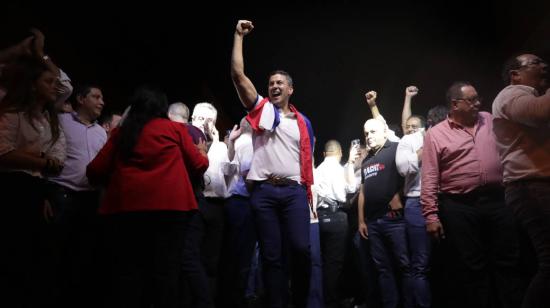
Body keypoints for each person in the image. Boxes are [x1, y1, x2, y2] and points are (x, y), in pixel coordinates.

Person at [86, 86, 209, 308]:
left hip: (126, 211)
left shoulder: (122, 133)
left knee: (128, 274)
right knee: (165, 274)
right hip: (171, 211)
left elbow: (95, 170)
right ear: (162, 108)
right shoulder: (175, 130)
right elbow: (199, 165)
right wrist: (202, 152)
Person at [231, 19, 315, 308]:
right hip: (264, 193)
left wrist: (309, 194)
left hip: (293, 192)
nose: (275, 86)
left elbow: (307, 162)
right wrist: (238, 36)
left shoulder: (304, 123)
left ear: (291, 89)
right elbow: (238, 75)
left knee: (301, 249)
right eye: (271, 83)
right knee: (271, 256)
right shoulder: (262, 111)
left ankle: (300, 301)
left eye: (280, 83)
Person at [421, 82, 523, 308]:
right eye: (472, 100)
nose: (478, 103)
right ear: (455, 104)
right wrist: (431, 216)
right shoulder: (435, 135)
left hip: (498, 201)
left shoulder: (488, 119)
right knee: (472, 265)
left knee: (508, 260)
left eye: (478, 98)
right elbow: (429, 176)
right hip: (460, 206)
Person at [0, 57, 66, 307]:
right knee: (13, 253)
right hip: (11, 187)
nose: (54, 87)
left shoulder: (48, 122)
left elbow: (57, 160)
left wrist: (37, 164)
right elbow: (3, 153)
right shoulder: (12, 114)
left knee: (35, 255)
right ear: (32, 85)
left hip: (37, 188)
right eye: (48, 81)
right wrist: (41, 160)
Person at [493, 53, 550, 308]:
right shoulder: (510, 94)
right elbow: (539, 113)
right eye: (535, 63)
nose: (544, 66)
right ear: (515, 75)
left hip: (536, 185)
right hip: (531, 187)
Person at [358, 118, 410, 308]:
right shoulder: (367, 160)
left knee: (404, 266)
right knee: (383, 269)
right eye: (366, 133)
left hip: (394, 220)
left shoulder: (396, 148)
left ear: (384, 131)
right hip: (372, 222)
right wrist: (361, 220)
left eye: (372, 132)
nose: (368, 137)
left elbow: (412, 173)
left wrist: (398, 193)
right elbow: (362, 192)